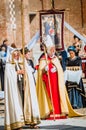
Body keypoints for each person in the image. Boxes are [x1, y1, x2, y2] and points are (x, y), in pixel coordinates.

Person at [36, 43, 83, 120]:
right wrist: (45, 69)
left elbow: (60, 70)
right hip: (48, 84)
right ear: (48, 50)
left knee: (57, 96)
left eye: (54, 50)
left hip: (56, 83)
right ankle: (51, 113)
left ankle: (59, 113)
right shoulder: (43, 59)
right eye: (51, 50)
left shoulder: (55, 58)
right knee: (50, 98)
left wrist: (57, 69)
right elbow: (40, 73)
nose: (53, 51)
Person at [5, 49, 41, 130]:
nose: (17, 56)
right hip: (15, 87)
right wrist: (17, 73)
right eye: (15, 55)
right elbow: (8, 77)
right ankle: (18, 123)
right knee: (17, 104)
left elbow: (28, 72)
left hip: (25, 86)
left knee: (28, 102)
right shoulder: (9, 64)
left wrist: (26, 75)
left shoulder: (23, 62)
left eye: (18, 54)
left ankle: (32, 121)